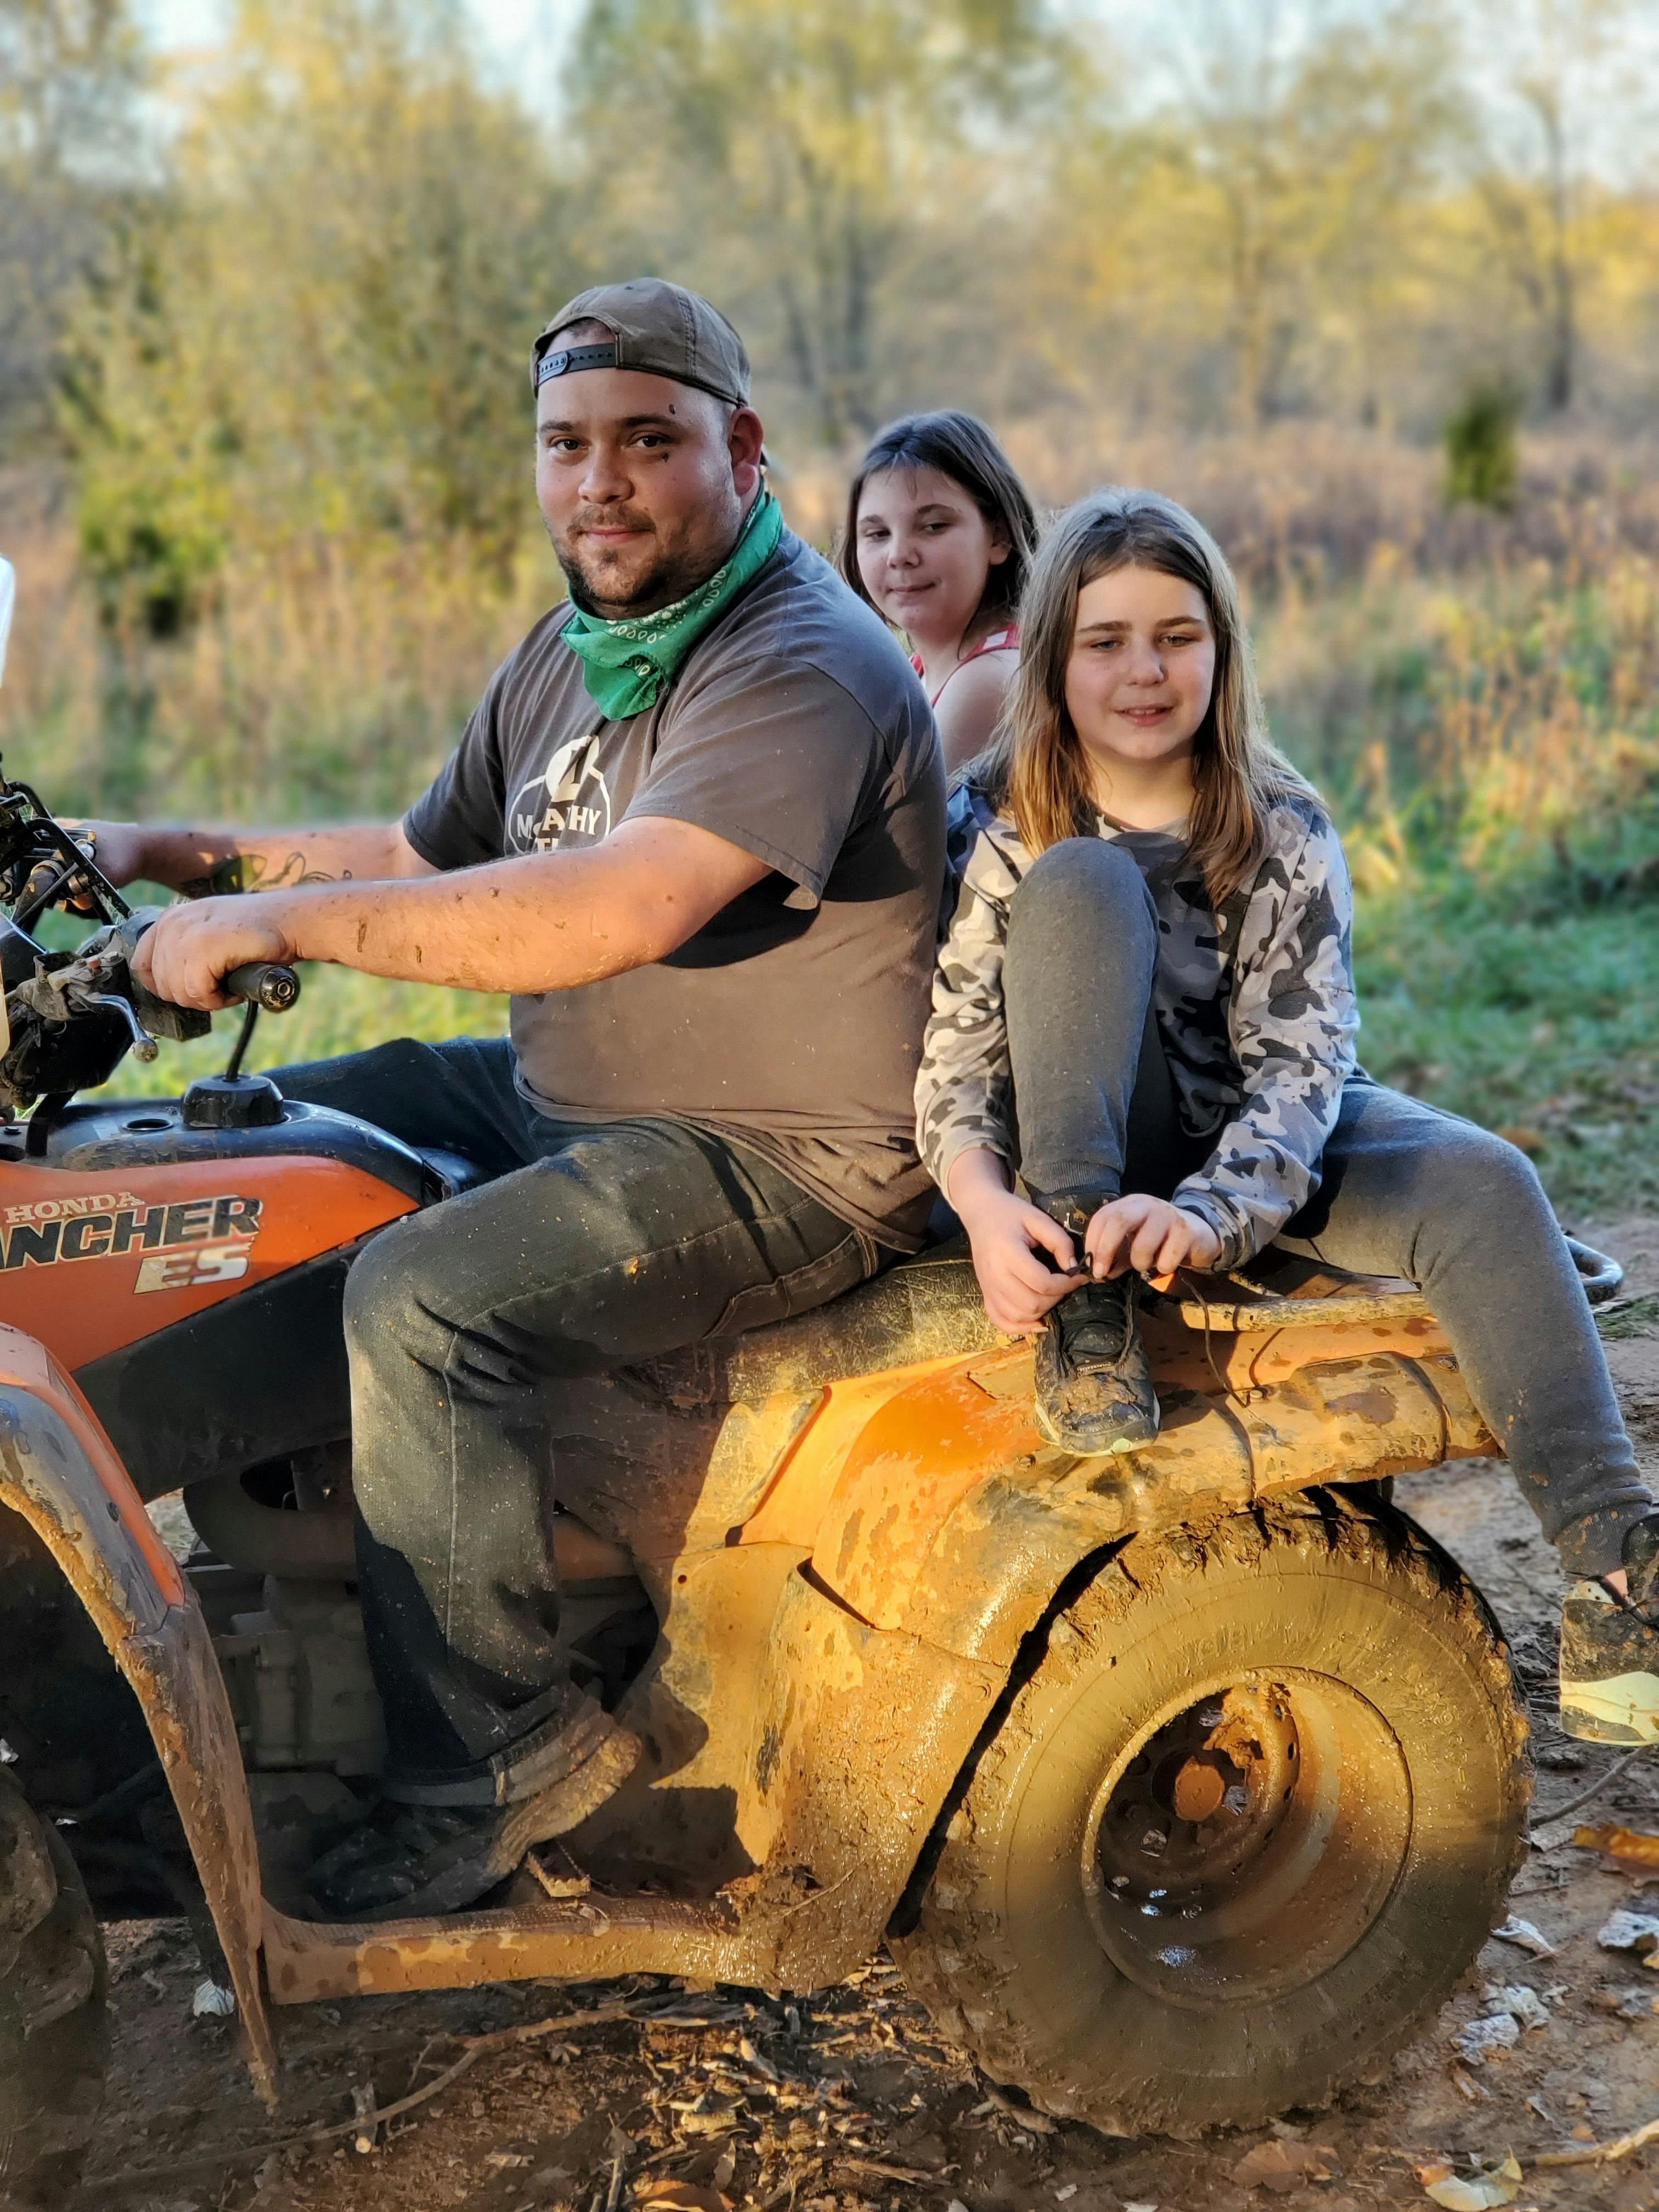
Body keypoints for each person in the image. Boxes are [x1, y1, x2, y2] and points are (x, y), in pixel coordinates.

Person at [83, 278, 946, 1914]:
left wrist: (269, 924)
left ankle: (500, 1759)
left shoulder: (801, 657)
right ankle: (133, 1727)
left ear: (743, 451)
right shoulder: (576, 648)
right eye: (566, 446)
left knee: (418, 1299)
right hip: (566, 1092)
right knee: (232, 1171)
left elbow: (613, 908)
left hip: (775, 1158)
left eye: (646, 442)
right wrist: (173, 854)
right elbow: (420, 863)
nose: (599, 483)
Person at [915, 483, 1659, 1747]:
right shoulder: (999, 823)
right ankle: (1092, 1324)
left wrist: (1211, 1217)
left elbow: (1303, 1074)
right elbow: (956, 1063)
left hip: (1247, 1146)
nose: (1145, 672)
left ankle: (1619, 1569)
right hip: (1086, 1141)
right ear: (1054, 661)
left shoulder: (1281, 822)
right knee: (1084, 880)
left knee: (1487, 1180)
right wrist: (987, 1207)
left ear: (1222, 652)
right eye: (1107, 643)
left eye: (1177, 637)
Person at [838, 410, 1037, 776]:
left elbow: (897, 830)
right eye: (878, 534)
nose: (899, 555)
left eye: (932, 526)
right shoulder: (917, 672)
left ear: (1000, 537)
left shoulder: (987, 681)